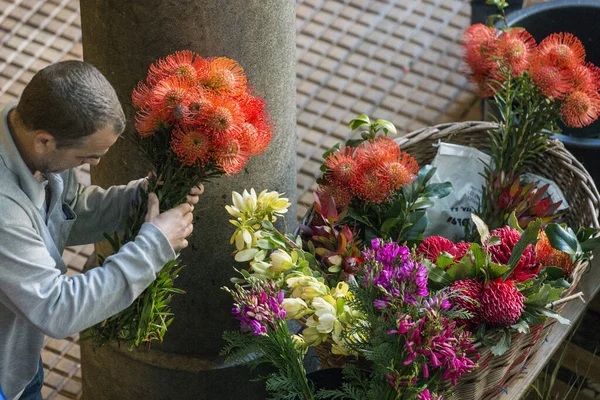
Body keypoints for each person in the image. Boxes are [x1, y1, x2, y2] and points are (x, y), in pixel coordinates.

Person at [0, 60, 202, 400]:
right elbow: (57, 308)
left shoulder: (32, 142)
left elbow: (69, 211)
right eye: (87, 157)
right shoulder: (4, 213)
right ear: (44, 142)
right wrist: (154, 246)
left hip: (18, 359)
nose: (94, 165)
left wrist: (143, 197)